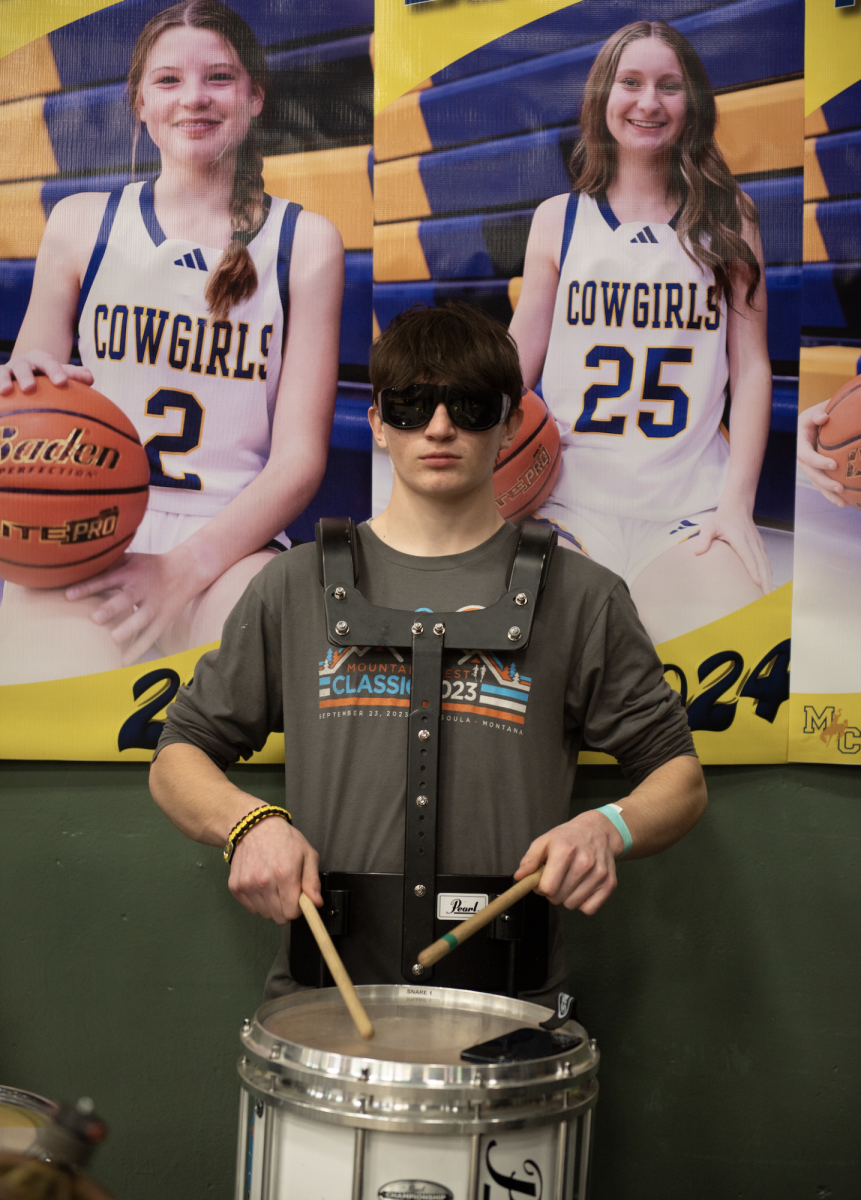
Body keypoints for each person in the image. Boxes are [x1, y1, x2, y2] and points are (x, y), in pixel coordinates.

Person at [149, 303, 706, 1006]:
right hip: (321, 1011)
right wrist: (248, 823)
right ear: (378, 423)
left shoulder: (583, 594)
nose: (439, 427)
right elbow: (179, 754)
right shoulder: (293, 585)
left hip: (508, 1015)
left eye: (470, 406)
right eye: (411, 406)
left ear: (508, 426)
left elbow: (679, 779)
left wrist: (607, 825)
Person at [0, 0, 343, 683]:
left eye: (218, 77)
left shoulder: (305, 242)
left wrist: (181, 571)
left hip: (231, 540)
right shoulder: (80, 226)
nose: (194, 98)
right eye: (168, 80)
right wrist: (18, 384)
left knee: (263, 667)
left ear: (253, 98)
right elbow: (28, 400)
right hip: (84, 530)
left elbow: (298, 459)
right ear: (139, 102)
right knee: (47, 688)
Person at [509, 21, 773, 645]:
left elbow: (754, 367)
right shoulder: (559, 220)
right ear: (603, 97)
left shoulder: (729, 216)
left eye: (669, 86)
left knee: (725, 671)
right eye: (631, 82)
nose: (649, 102)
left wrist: (737, 504)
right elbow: (514, 361)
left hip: (689, 510)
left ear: (694, 104)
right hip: (567, 507)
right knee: (549, 679)